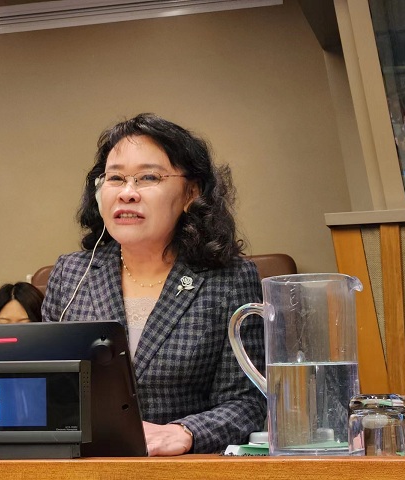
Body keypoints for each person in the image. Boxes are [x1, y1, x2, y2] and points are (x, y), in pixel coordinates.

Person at [42, 113, 266, 456]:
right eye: (115, 178)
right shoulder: (72, 274)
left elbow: (248, 402)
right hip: (85, 466)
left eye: (148, 177)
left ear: (191, 192)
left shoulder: (229, 280)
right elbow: (47, 389)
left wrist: (186, 432)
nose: (127, 193)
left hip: (181, 468)